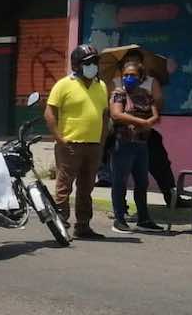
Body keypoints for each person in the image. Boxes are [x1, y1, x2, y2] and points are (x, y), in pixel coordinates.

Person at [45, 44, 109, 239]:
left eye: (95, 62)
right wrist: (59, 138)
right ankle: (61, 223)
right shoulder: (64, 84)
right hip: (70, 144)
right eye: (89, 63)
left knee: (86, 187)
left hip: (93, 146)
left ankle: (83, 226)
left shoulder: (102, 86)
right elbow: (50, 112)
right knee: (64, 186)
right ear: (77, 65)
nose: (93, 66)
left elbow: (105, 115)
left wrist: (102, 140)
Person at [108, 61, 164, 234]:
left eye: (132, 75)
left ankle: (144, 219)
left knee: (142, 182)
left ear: (140, 77)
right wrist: (143, 122)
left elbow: (156, 115)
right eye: (125, 75)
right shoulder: (119, 94)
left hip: (141, 145)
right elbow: (116, 114)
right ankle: (119, 219)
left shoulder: (146, 95)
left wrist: (149, 122)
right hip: (123, 144)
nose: (128, 78)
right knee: (120, 181)